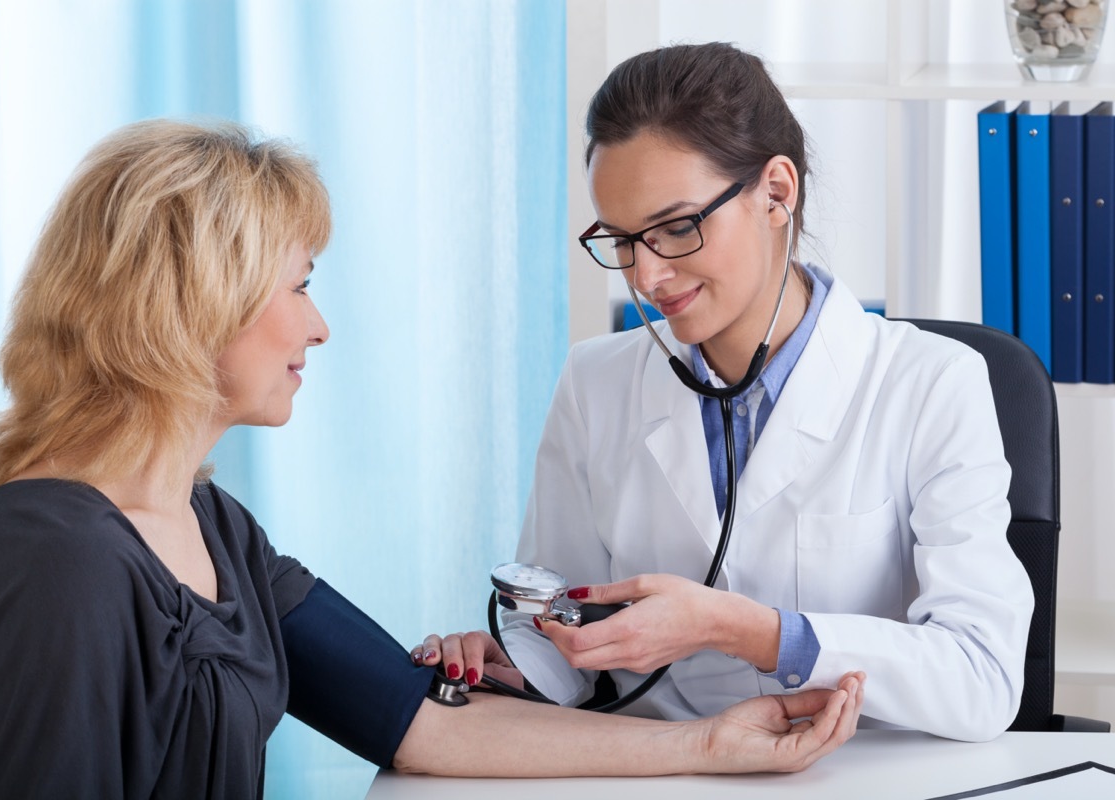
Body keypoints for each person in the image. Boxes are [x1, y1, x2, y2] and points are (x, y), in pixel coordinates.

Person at [0, 118, 865, 798]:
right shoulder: (50, 555)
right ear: (191, 301)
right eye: (298, 286)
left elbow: (413, 718)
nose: (319, 325)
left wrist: (708, 747)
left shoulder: (209, 529)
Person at [415, 42, 1033, 743]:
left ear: (776, 192)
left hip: (860, 773)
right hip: (665, 771)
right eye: (621, 239)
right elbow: (565, 630)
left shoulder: (931, 384)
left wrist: (746, 630)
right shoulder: (594, 384)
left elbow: (982, 678)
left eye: (676, 228)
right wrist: (512, 666)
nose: (645, 276)